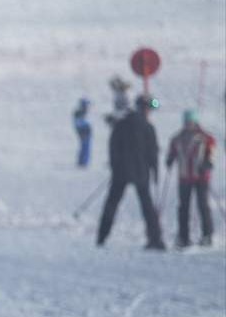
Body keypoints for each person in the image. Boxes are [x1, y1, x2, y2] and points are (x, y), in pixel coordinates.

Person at [97, 95, 163, 249]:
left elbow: (113, 147)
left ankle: (102, 236)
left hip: (121, 172)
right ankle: (155, 238)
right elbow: (153, 152)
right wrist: (155, 173)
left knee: (112, 203)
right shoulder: (148, 127)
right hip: (141, 172)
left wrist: (114, 167)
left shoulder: (121, 124)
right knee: (147, 207)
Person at [166, 109, 216, 248]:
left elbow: (211, 151)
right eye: (186, 122)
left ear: (195, 122)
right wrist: (170, 159)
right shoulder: (178, 138)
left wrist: (207, 163)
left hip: (201, 177)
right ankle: (183, 237)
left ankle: (207, 235)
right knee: (183, 207)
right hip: (184, 177)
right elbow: (172, 151)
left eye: (191, 122)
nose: (189, 125)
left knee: (203, 206)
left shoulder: (205, 137)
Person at [74, 98, 92, 168]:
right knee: (85, 147)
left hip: (84, 131)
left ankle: (82, 162)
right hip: (84, 131)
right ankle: (83, 162)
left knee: (84, 147)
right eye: (86, 105)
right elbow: (78, 123)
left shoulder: (82, 112)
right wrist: (83, 130)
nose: (87, 107)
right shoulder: (79, 113)